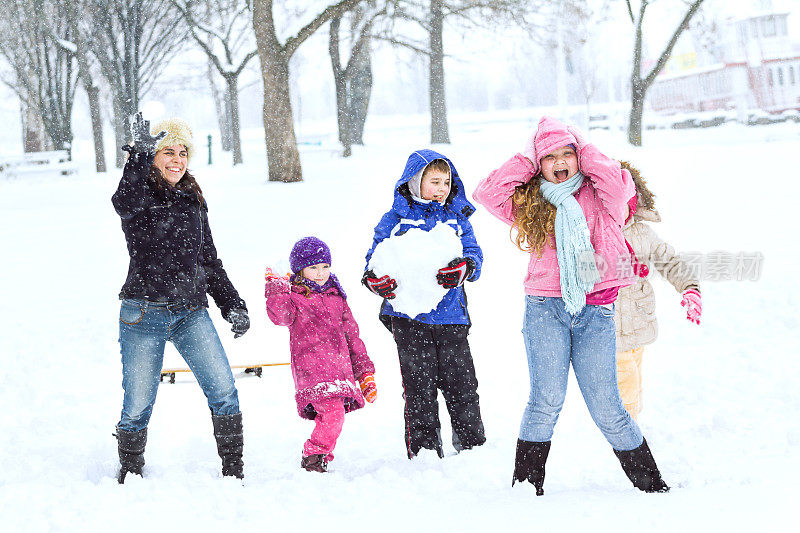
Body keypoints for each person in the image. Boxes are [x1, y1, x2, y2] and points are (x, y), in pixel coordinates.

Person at [473, 116, 669, 494]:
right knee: (545, 398)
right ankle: (527, 487)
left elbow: (617, 181)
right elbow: (488, 194)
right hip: (545, 308)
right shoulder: (531, 203)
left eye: (568, 153)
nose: (560, 161)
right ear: (538, 164)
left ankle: (651, 485)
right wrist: (529, 158)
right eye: (549, 156)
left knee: (608, 406)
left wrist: (583, 145)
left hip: (596, 311)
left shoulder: (602, 196)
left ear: (580, 157)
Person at [111, 112, 250, 483]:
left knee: (223, 390)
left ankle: (234, 470)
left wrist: (232, 303)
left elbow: (209, 260)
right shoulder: (140, 197)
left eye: (183, 152)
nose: (177, 159)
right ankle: (130, 471)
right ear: (153, 156)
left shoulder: (193, 201)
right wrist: (137, 160)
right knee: (138, 405)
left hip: (190, 312)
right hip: (143, 314)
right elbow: (123, 202)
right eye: (167, 151)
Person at [362, 150, 486, 458]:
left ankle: (471, 446)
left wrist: (465, 268)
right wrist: (374, 280)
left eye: (446, 182)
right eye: (434, 181)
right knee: (419, 387)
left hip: (451, 317)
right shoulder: (395, 222)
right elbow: (375, 260)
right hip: (408, 320)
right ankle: (425, 450)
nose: (442, 188)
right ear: (415, 182)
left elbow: (474, 255)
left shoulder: (456, 219)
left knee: (462, 385)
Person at [265, 237, 376, 473]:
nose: (320, 273)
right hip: (312, 370)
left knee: (334, 417)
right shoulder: (294, 297)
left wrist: (365, 373)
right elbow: (280, 316)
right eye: (313, 267)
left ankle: (320, 454)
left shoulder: (337, 297)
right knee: (334, 415)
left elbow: (352, 337)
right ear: (300, 269)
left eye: (325, 266)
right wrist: (277, 287)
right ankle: (314, 455)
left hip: (339, 369)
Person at [615, 161, 702, 421]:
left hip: (639, 323)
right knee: (626, 381)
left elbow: (670, 260)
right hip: (608, 328)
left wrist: (689, 288)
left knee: (635, 379)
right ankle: (626, 433)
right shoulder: (590, 234)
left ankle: (630, 423)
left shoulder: (643, 233)